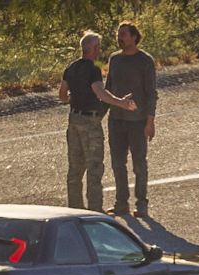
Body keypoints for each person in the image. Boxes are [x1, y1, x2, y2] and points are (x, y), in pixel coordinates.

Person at [59, 31, 136, 212]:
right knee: (94, 168)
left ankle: (74, 210)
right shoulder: (92, 70)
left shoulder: (70, 68)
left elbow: (62, 95)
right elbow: (101, 93)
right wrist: (121, 103)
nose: (99, 51)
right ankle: (94, 211)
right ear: (93, 49)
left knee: (75, 169)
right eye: (98, 47)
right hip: (90, 122)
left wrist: (73, 98)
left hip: (73, 120)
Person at [105, 21, 157, 218]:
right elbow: (108, 90)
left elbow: (151, 93)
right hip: (116, 120)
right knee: (118, 163)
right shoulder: (114, 60)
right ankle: (121, 204)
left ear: (134, 37)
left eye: (124, 34)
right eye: (119, 34)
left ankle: (141, 203)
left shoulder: (145, 61)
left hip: (137, 121)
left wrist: (150, 122)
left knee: (139, 164)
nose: (120, 38)